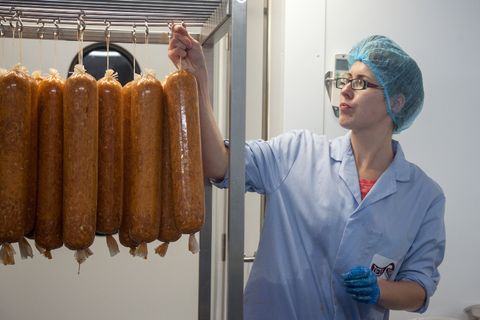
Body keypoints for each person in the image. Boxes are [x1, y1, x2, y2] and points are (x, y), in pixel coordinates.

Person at [168, 26, 446, 320]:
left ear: (397, 101)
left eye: (361, 83)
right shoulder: (296, 153)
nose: (346, 90)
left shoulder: (424, 196)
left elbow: (419, 287)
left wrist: (380, 291)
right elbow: (220, 164)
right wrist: (198, 80)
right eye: (346, 79)